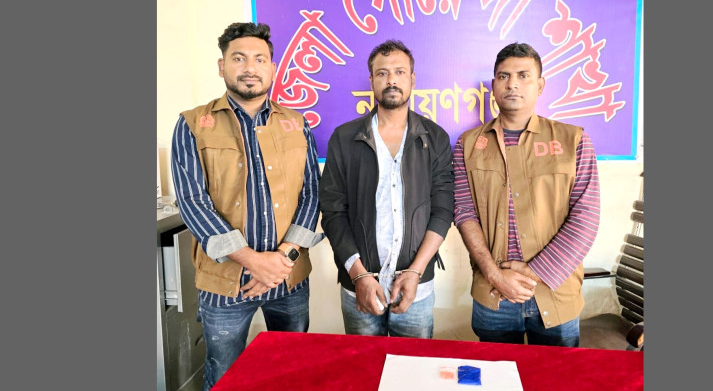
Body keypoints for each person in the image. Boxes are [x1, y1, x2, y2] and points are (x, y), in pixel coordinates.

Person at [171, 22, 323, 390]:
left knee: (290, 373)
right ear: (221, 66)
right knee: (224, 375)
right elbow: (192, 202)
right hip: (223, 282)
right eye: (239, 58)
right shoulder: (193, 124)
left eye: (260, 59)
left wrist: (282, 259)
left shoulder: (296, 123)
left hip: (288, 278)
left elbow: (312, 195)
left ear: (272, 68)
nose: (250, 68)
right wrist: (254, 261)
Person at [453, 42, 600, 347]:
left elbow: (586, 218)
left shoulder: (573, 141)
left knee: (557, 373)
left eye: (523, 75)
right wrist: (495, 275)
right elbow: (464, 213)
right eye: (504, 76)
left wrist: (533, 273)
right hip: (493, 293)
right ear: (493, 85)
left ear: (540, 85)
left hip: (555, 291)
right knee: (494, 372)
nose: (513, 84)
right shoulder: (467, 145)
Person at [319, 39, 454, 338]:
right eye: (382, 73)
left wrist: (416, 271)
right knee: (363, 364)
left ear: (412, 79)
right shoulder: (344, 138)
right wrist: (359, 275)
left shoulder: (435, 138)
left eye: (399, 72)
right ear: (371, 81)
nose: (391, 80)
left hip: (416, 286)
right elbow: (333, 212)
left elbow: (443, 211)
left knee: (414, 365)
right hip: (359, 286)